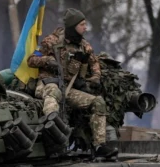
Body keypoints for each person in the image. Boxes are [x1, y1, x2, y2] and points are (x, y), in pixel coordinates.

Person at [27, 8, 111, 157]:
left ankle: (99, 146)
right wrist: (47, 60)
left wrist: (96, 77)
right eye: (82, 24)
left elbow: (94, 64)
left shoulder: (84, 46)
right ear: (73, 26)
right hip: (48, 84)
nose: (85, 28)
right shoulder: (51, 41)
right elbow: (31, 60)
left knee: (98, 102)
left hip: (68, 88)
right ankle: (54, 133)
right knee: (54, 93)